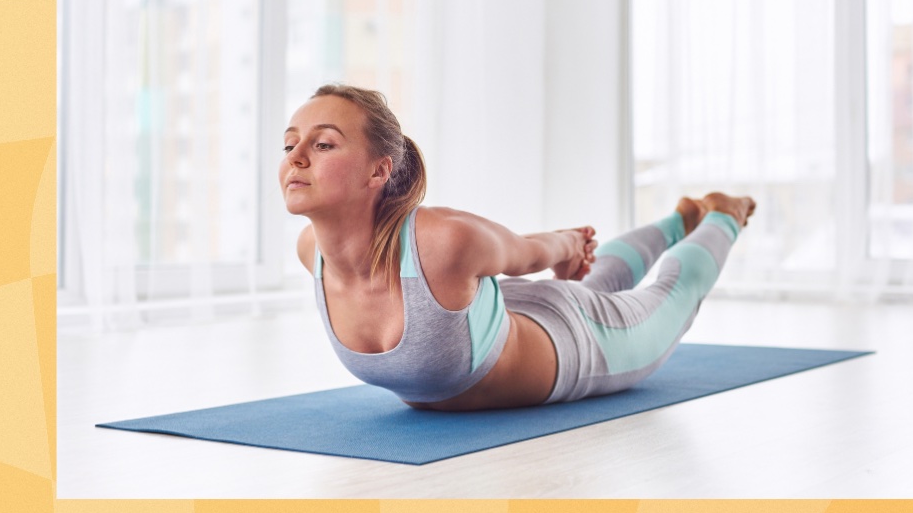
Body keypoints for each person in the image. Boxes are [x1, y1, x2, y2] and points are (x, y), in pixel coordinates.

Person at [283, 84, 756, 411]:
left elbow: (526, 253)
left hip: (580, 342)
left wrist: (570, 245)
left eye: (323, 145)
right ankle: (680, 218)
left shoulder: (440, 239)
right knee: (599, 283)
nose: (297, 157)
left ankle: (723, 214)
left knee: (672, 293)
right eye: (290, 145)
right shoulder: (313, 252)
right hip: (502, 315)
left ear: (378, 172)